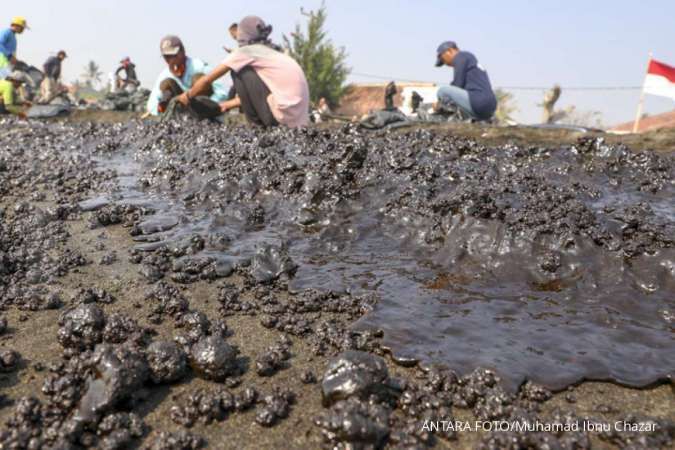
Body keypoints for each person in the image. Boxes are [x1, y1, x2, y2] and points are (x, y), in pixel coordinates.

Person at [177, 16, 309, 128]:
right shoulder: (271, 53)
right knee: (244, 70)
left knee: (239, 71)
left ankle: (257, 127)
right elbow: (261, 92)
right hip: (297, 120)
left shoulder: (246, 52)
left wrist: (187, 96)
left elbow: (207, 80)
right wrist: (226, 105)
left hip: (280, 118)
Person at [146, 35, 229, 116]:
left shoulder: (199, 66)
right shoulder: (164, 75)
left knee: (198, 78)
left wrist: (210, 105)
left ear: (183, 52)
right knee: (167, 83)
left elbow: (222, 93)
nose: (171, 60)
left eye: (174, 55)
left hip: (204, 109)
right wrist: (162, 109)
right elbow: (151, 104)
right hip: (181, 113)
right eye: (167, 57)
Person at [434, 41, 497, 121]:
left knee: (442, 91)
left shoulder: (461, 56)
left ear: (450, 51)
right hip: (490, 107)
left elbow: (457, 84)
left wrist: (440, 104)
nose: (446, 63)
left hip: (478, 101)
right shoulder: (470, 60)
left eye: (443, 59)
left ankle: (447, 120)